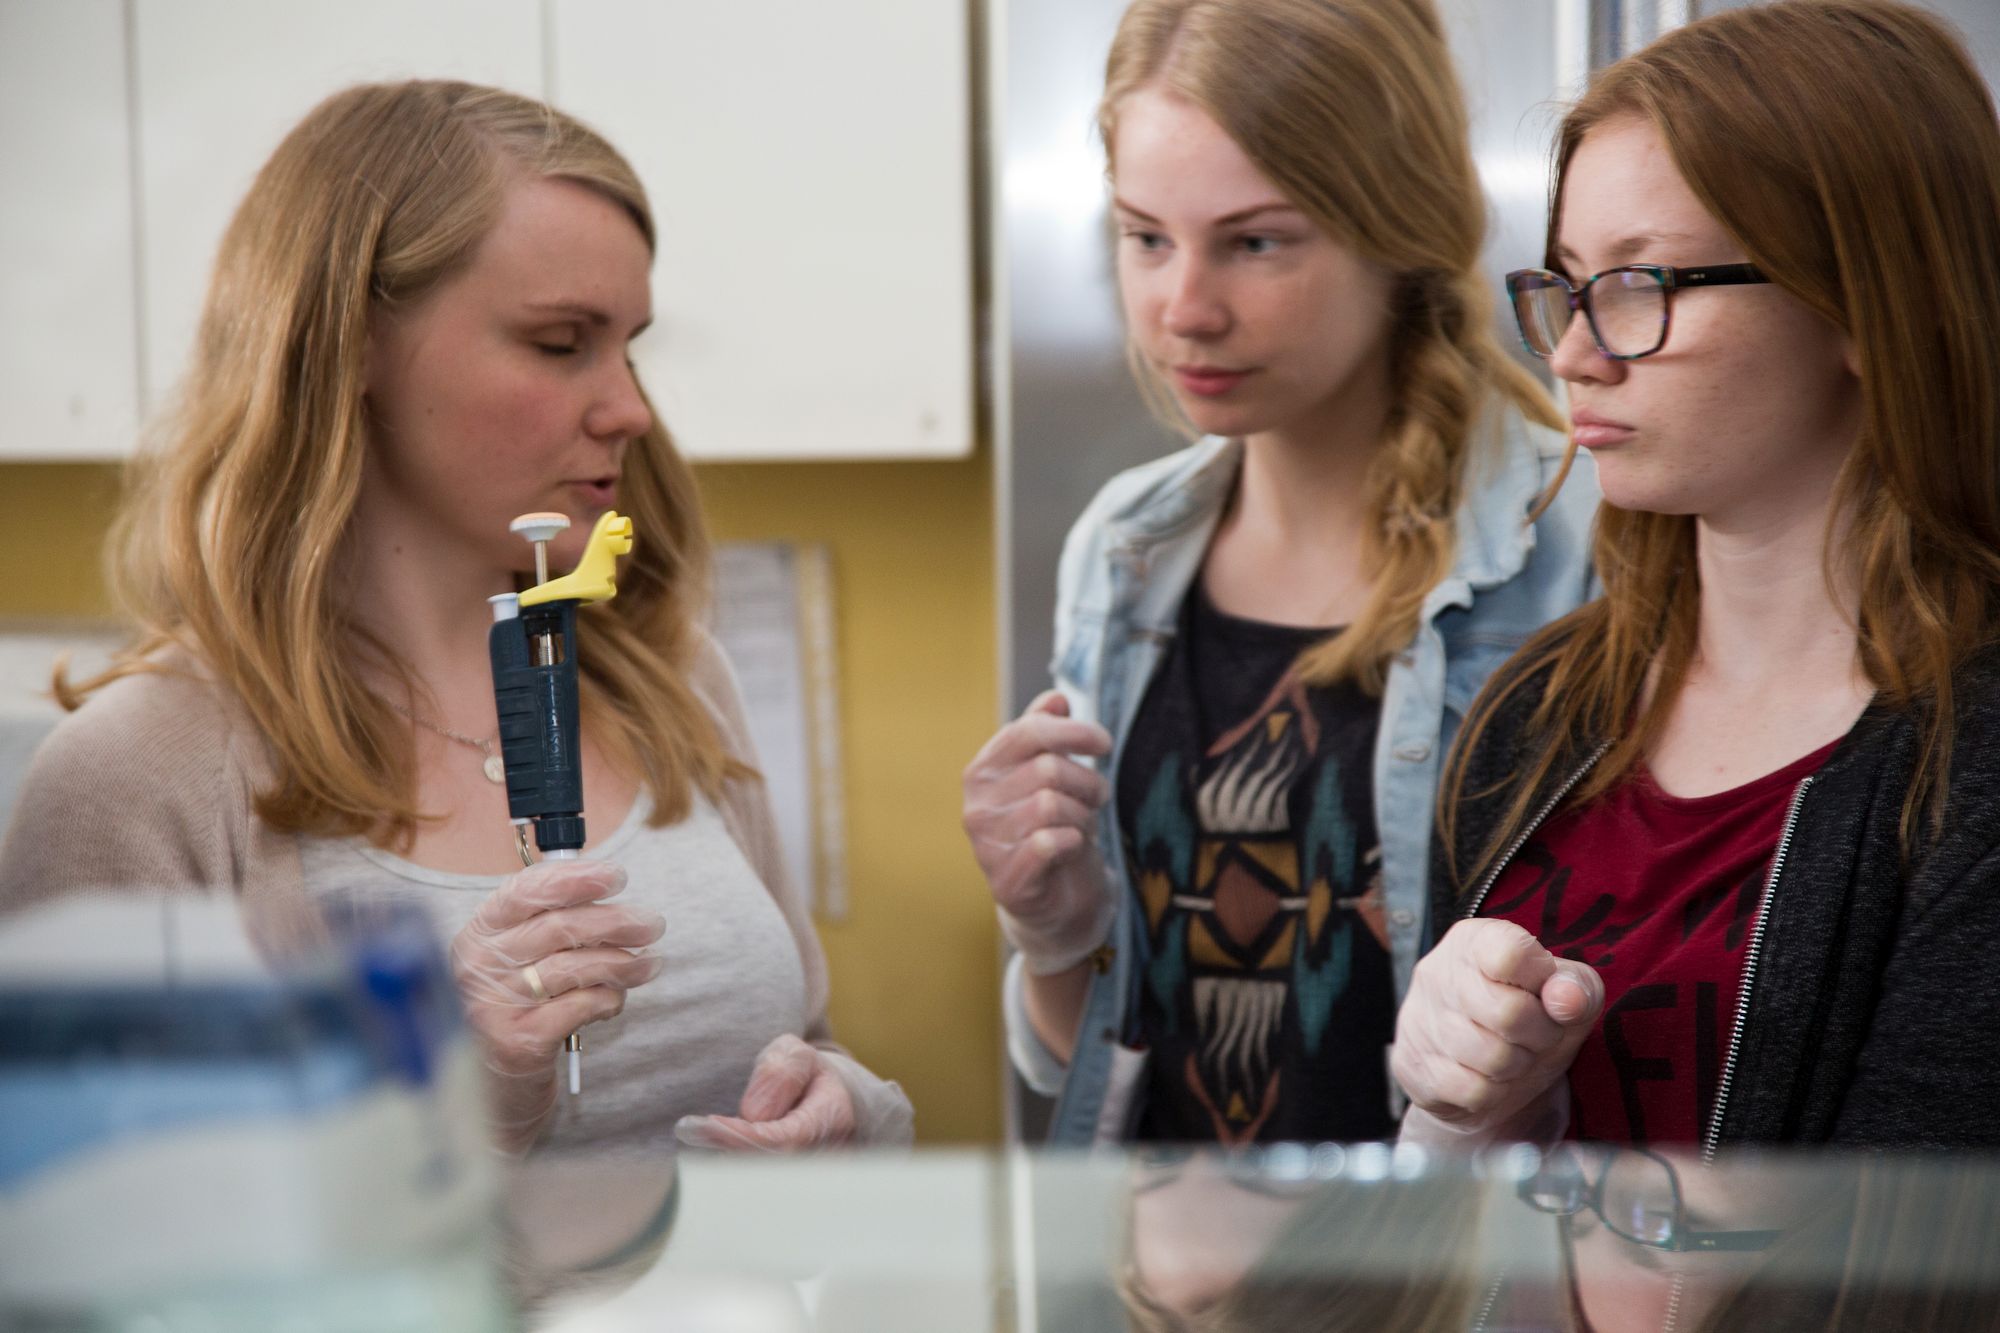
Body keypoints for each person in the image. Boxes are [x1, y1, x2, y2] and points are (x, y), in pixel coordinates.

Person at [0, 80, 910, 1156]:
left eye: (629, 346)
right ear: (350, 346)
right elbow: (87, 1224)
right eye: (561, 342)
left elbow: (808, 1036)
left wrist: (846, 1108)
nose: (630, 408)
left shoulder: (672, 679)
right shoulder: (134, 779)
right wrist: (449, 1096)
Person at [964, 0, 1598, 1147]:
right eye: (1144, 238)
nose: (1182, 310)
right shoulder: (1123, 548)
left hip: (1440, 1256)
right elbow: (1086, 1054)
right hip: (1160, 1250)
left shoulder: (1580, 540)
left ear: (1397, 227)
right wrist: (1051, 933)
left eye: (1254, 242)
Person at [1393, 0, 2000, 1155]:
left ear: (1861, 304)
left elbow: (1915, 1243)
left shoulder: (1967, 762)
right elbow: (1441, 1226)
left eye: (1640, 285)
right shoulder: (1535, 714)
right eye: (1567, 286)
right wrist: (1450, 1115)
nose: (1574, 355)